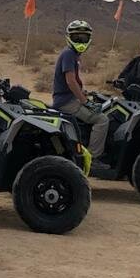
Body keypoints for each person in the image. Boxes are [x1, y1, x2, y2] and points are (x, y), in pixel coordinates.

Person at [50, 19, 110, 169]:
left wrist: (83, 92)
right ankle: (93, 158)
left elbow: (72, 82)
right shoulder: (69, 54)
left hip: (68, 99)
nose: (81, 41)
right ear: (69, 37)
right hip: (66, 102)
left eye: (84, 38)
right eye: (77, 37)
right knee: (102, 120)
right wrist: (85, 101)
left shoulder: (72, 54)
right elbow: (70, 81)